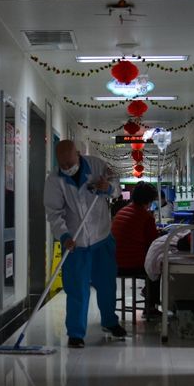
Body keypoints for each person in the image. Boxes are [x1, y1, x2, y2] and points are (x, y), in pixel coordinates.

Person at [44, 140, 126, 348]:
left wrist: (108, 188)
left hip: (102, 237)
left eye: (70, 163)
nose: (66, 168)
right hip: (76, 242)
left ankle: (110, 321)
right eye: (62, 164)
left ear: (78, 154)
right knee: (77, 289)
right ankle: (75, 333)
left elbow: (117, 189)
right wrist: (63, 236)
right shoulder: (54, 180)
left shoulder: (97, 165)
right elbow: (54, 213)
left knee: (107, 285)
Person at [111, 182, 162, 318]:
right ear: (149, 200)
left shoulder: (122, 211)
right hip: (131, 265)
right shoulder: (146, 217)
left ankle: (147, 293)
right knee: (157, 267)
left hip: (114, 264)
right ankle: (150, 306)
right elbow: (153, 244)